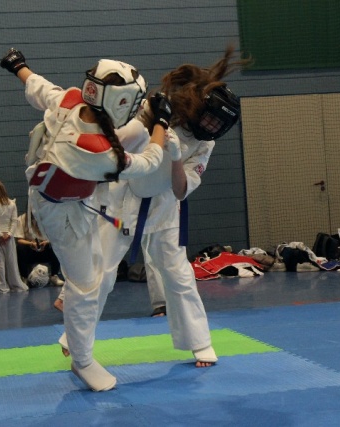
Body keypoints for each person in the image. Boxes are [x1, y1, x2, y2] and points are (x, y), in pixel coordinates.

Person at [0, 47, 172, 391]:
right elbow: (149, 162)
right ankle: (82, 360)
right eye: (132, 103)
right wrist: (161, 123)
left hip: (65, 195)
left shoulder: (71, 100)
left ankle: (76, 330)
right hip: (62, 212)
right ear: (118, 102)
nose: (135, 108)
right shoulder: (94, 149)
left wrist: (18, 66)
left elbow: (38, 86)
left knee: (98, 269)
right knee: (86, 285)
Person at [92, 45, 247, 367]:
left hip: (165, 206)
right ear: (199, 107)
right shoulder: (161, 110)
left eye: (219, 125)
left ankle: (199, 343)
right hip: (125, 197)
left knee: (179, 276)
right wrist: (153, 123)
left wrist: (176, 157)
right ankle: (75, 337)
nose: (213, 128)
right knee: (102, 271)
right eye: (211, 120)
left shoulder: (205, 143)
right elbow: (122, 141)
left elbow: (181, 190)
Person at [0, 180, 28, 294]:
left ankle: (3, 287)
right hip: (9, 236)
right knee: (11, 262)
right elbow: (14, 220)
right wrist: (9, 234)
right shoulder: (12, 203)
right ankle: (16, 285)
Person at [14, 212, 64, 287]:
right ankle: (24, 278)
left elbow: (54, 237)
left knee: (55, 245)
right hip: (30, 249)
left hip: (44, 248)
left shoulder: (47, 217)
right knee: (20, 248)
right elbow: (19, 240)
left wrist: (46, 242)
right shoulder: (21, 219)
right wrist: (30, 243)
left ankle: (54, 276)